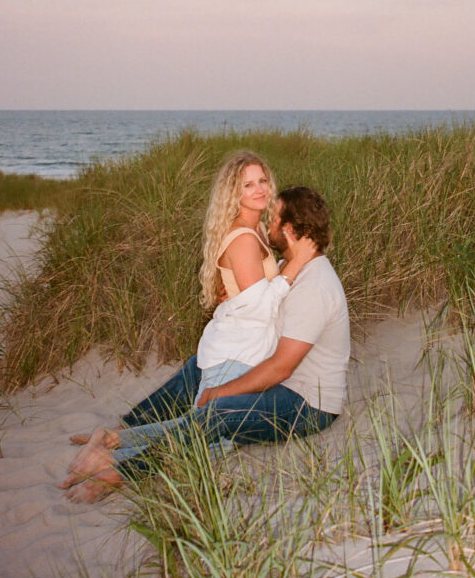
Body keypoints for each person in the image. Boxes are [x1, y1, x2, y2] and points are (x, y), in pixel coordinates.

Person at [61, 181, 350, 502]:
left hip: (307, 405)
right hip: (279, 383)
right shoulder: (288, 268)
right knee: (200, 365)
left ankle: (124, 473)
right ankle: (121, 433)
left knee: (218, 411)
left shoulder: (316, 287)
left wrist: (222, 391)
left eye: (275, 219)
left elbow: (281, 367)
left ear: (290, 230)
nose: (269, 224)